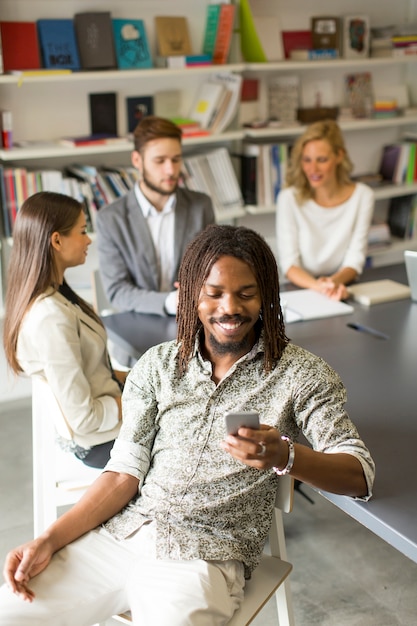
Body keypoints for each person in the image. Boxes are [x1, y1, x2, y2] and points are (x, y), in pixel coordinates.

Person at [0, 224, 375, 626]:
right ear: (189, 293)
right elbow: (122, 473)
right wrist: (48, 540)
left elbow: (360, 475)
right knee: (11, 611)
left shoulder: (301, 374)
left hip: (203, 557)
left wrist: (284, 455)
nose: (229, 308)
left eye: (246, 293)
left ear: (266, 293)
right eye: (213, 293)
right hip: (124, 536)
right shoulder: (157, 365)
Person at [3, 191, 125, 469]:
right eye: (82, 231)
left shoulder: (58, 297)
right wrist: (133, 401)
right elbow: (84, 417)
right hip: (102, 442)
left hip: (106, 423)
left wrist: (139, 380)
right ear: (56, 240)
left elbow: (92, 369)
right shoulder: (50, 318)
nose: (89, 239)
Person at [96, 115, 215, 317]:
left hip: (194, 321)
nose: (171, 170)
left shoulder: (200, 205)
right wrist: (170, 302)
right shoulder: (111, 218)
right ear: (137, 160)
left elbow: (211, 268)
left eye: (176, 159)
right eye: (160, 161)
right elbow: (117, 291)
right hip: (137, 324)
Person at [276, 120, 374, 301]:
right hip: (301, 289)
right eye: (307, 160)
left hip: (342, 286)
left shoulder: (363, 196)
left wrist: (334, 283)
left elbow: (355, 258)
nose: (312, 169)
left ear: (339, 156)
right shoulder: (288, 198)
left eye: (321, 160)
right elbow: (289, 265)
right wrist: (321, 287)